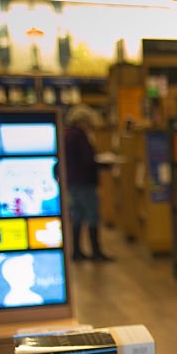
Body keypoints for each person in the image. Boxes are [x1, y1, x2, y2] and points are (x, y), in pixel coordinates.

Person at [64, 104, 112, 261]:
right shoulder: (80, 136)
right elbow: (87, 160)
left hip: (73, 181)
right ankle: (96, 252)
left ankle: (77, 251)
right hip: (85, 181)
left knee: (77, 216)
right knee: (92, 215)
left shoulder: (68, 134)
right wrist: (104, 165)